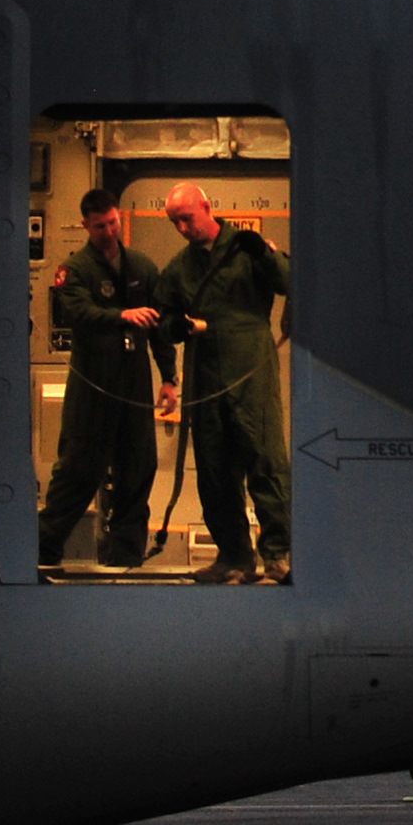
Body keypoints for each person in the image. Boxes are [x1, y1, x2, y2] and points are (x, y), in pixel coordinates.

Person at [155, 184, 292, 585]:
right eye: (175, 222)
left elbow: (289, 281)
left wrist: (264, 253)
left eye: (187, 218)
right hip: (205, 375)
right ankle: (233, 556)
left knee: (265, 461)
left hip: (250, 368)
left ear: (207, 207)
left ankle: (278, 555)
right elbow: (163, 318)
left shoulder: (246, 249)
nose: (183, 228)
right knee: (214, 470)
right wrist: (175, 327)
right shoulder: (179, 268)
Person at [34, 187, 177, 572]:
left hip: (134, 383)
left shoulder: (142, 267)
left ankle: (126, 556)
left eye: (113, 223)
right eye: (100, 226)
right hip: (93, 386)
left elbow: (160, 326)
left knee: (139, 467)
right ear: (86, 226)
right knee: (80, 470)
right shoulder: (75, 269)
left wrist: (169, 378)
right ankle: (43, 549)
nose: (109, 231)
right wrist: (121, 316)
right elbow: (78, 312)